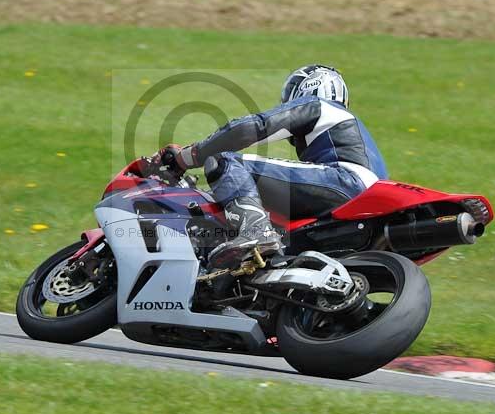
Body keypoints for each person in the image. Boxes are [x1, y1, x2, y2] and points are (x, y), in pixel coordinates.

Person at [156, 65, 388, 271]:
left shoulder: (319, 105)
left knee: (224, 160)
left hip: (346, 182)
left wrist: (187, 157)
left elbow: (250, 128)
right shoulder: (348, 135)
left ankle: (256, 230)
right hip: (361, 203)